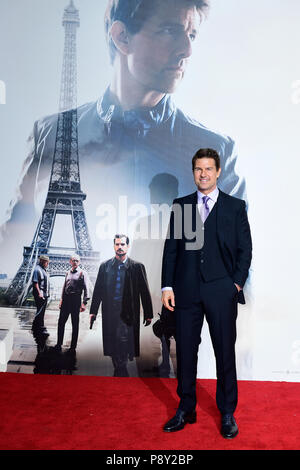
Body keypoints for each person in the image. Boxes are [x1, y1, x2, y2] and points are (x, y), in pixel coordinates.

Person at [0, 0, 246, 279]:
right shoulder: (49, 134)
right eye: (169, 30)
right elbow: (9, 247)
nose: (187, 50)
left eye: (191, 35)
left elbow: (237, 281)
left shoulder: (219, 153)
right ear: (121, 37)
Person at [161, 148, 252, 438]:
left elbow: (245, 250)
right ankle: (186, 407)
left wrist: (235, 284)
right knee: (186, 352)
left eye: (209, 169)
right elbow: (172, 249)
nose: (203, 174)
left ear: (218, 171)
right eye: (198, 169)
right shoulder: (183, 207)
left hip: (220, 291)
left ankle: (227, 413)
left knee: (225, 352)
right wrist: (167, 286)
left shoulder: (235, 207)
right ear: (193, 172)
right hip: (186, 292)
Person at [89, 234, 153, 376]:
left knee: (122, 338)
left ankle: (121, 368)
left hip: (128, 311)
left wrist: (148, 313)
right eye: (117, 244)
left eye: (123, 244)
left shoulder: (137, 267)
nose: (120, 247)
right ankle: (119, 367)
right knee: (112, 339)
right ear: (114, 246)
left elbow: (144, 291)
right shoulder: (104, 266)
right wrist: (93, 311)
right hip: (110, 310)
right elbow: (98, 290)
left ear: (127, 246)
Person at [54, 254, 90, 355]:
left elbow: (87, 289)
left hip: (75, 300)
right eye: (73, 260)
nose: (75, 262)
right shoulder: (67, 273)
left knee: (75, 324)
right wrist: (61, 299)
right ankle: (58, 344)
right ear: (70, 261)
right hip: (66, 300)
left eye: (77, 261)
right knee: (61, 322)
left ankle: (73, 347)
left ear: (79, 262)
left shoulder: (83, 273)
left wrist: (84, 303)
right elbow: (64, 286)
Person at [32, 255, 50, 336]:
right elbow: (35, 283)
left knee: (41, 312)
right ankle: (40, 327)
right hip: (41, 295)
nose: (48, 264)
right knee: (40, 311)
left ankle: (36, 327)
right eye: (47, 262)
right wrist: (39, 293)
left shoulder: (43, 270)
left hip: (44, 294)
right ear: (42, 261)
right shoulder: (37, 269)